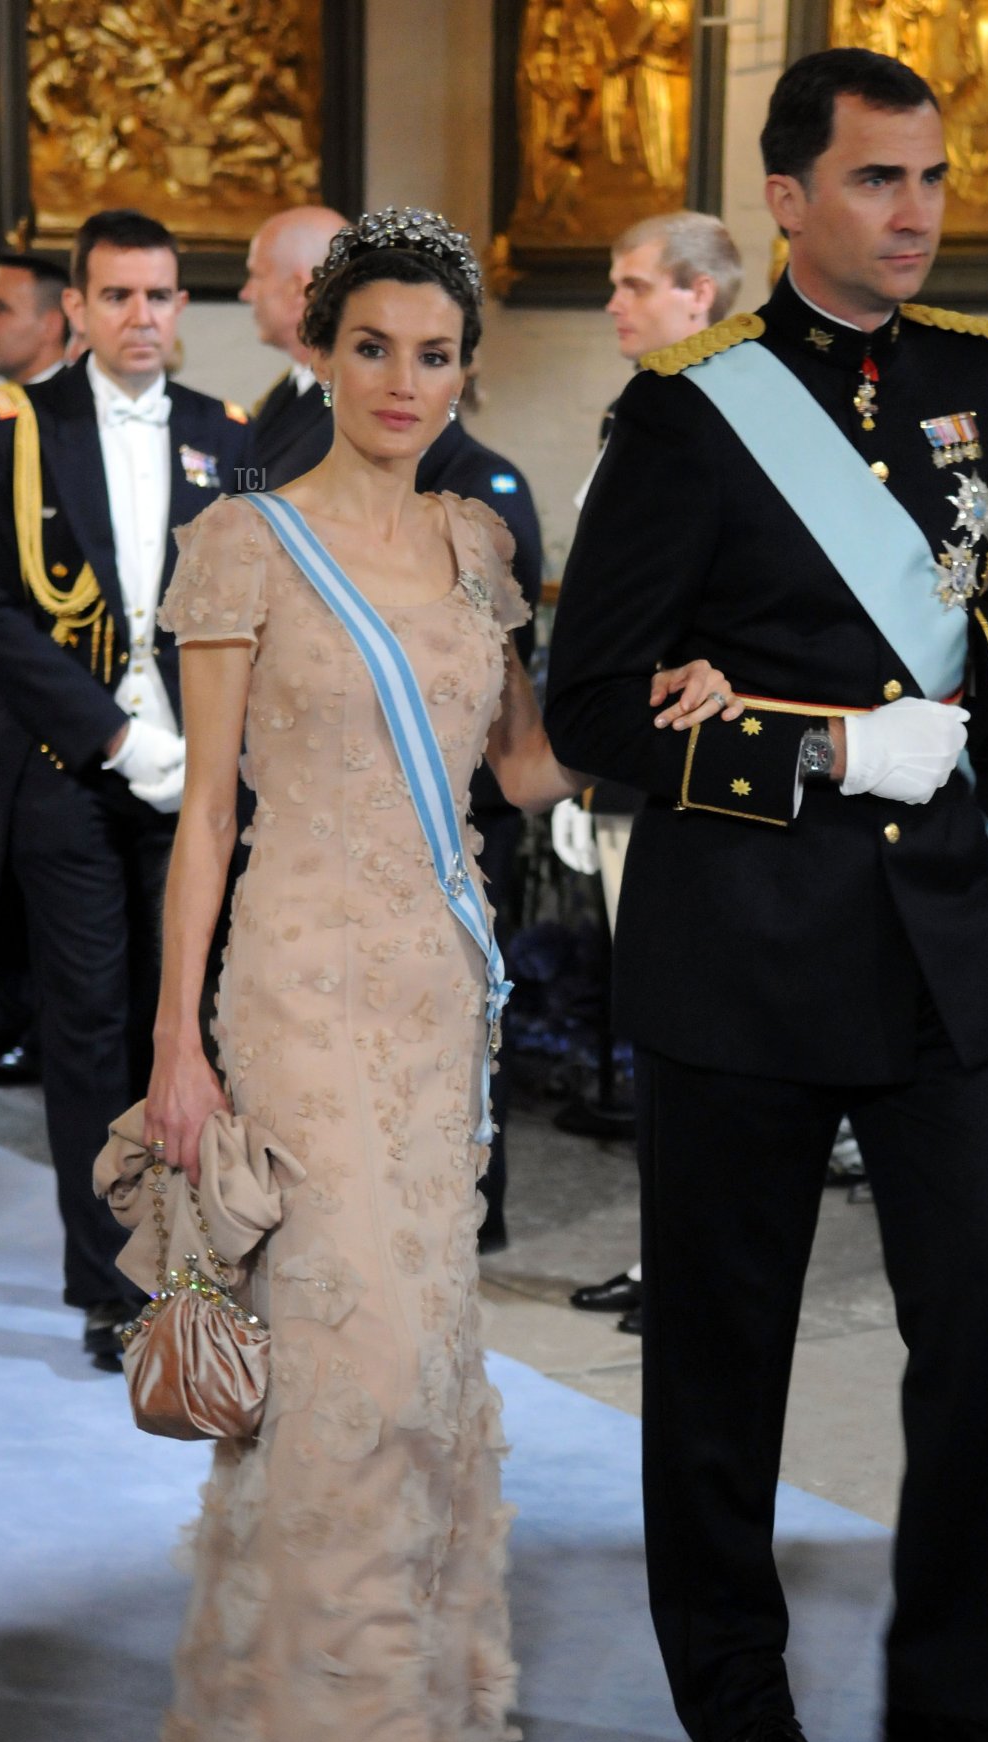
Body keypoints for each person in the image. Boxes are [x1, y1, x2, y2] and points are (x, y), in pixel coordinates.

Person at [136, 206, 734, 1742]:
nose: (407, 379)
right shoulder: (246, 545)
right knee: (350, 1364)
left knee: (414, 1371)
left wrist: (676, 698)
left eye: (437, 351)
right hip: (300, 997)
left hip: (438, 1012)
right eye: (374, 346)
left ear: (466, 367)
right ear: (321, 352)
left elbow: (532, 769)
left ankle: (363, 1704)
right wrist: (177, 1045)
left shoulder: (483, 540)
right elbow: (204, 822)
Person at [546, 48, 988, 1742]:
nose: (917, 211)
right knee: (728, 1337)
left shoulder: (974, 383)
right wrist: (815, 746)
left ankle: (950, 1700)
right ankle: (734, 1699)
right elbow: (595, 700)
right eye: (876, 180)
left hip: (938, 926)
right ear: (788, 199)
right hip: (748, 931)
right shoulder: (697, 408)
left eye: (930, 177)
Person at [0, 208, 251, 1368]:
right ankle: (107, 1283)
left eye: (162, 296)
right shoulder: (11, 427)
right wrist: (120, 740)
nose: (144, 317)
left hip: (204, 784)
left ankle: (197, 1258)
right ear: (77, 308)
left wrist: (213, 752)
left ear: (183, 309)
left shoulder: (221, 431)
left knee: (183, 1028)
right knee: (89, 1032)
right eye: (120, 296)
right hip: (72, 772)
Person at [558, 209, 742, 1332]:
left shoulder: (722, 424)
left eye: (634, 285)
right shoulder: (641, 419)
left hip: (688, 771)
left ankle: (689, 1268)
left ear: (698, 298)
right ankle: (661, 1252)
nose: (615, 304)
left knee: (695, 1043)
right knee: (658, 1038)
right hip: (624, 768)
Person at [417, 373, 543, 1252]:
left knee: (466, 1019)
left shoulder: (486, 483)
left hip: (467, 797)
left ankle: (476, 1203)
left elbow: (510, 652)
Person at [0, 253, 72, 1084]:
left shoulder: (70, 420)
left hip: (65, 685)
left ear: (51, 320)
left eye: (0, 307)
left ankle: (35, 1021)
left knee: (36, 865)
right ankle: (6, 1009)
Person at [239, 205, 348, 489]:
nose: (246, 293)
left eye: (257, 275)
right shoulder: (287, 391)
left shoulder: (350, 402)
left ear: (299, 288)